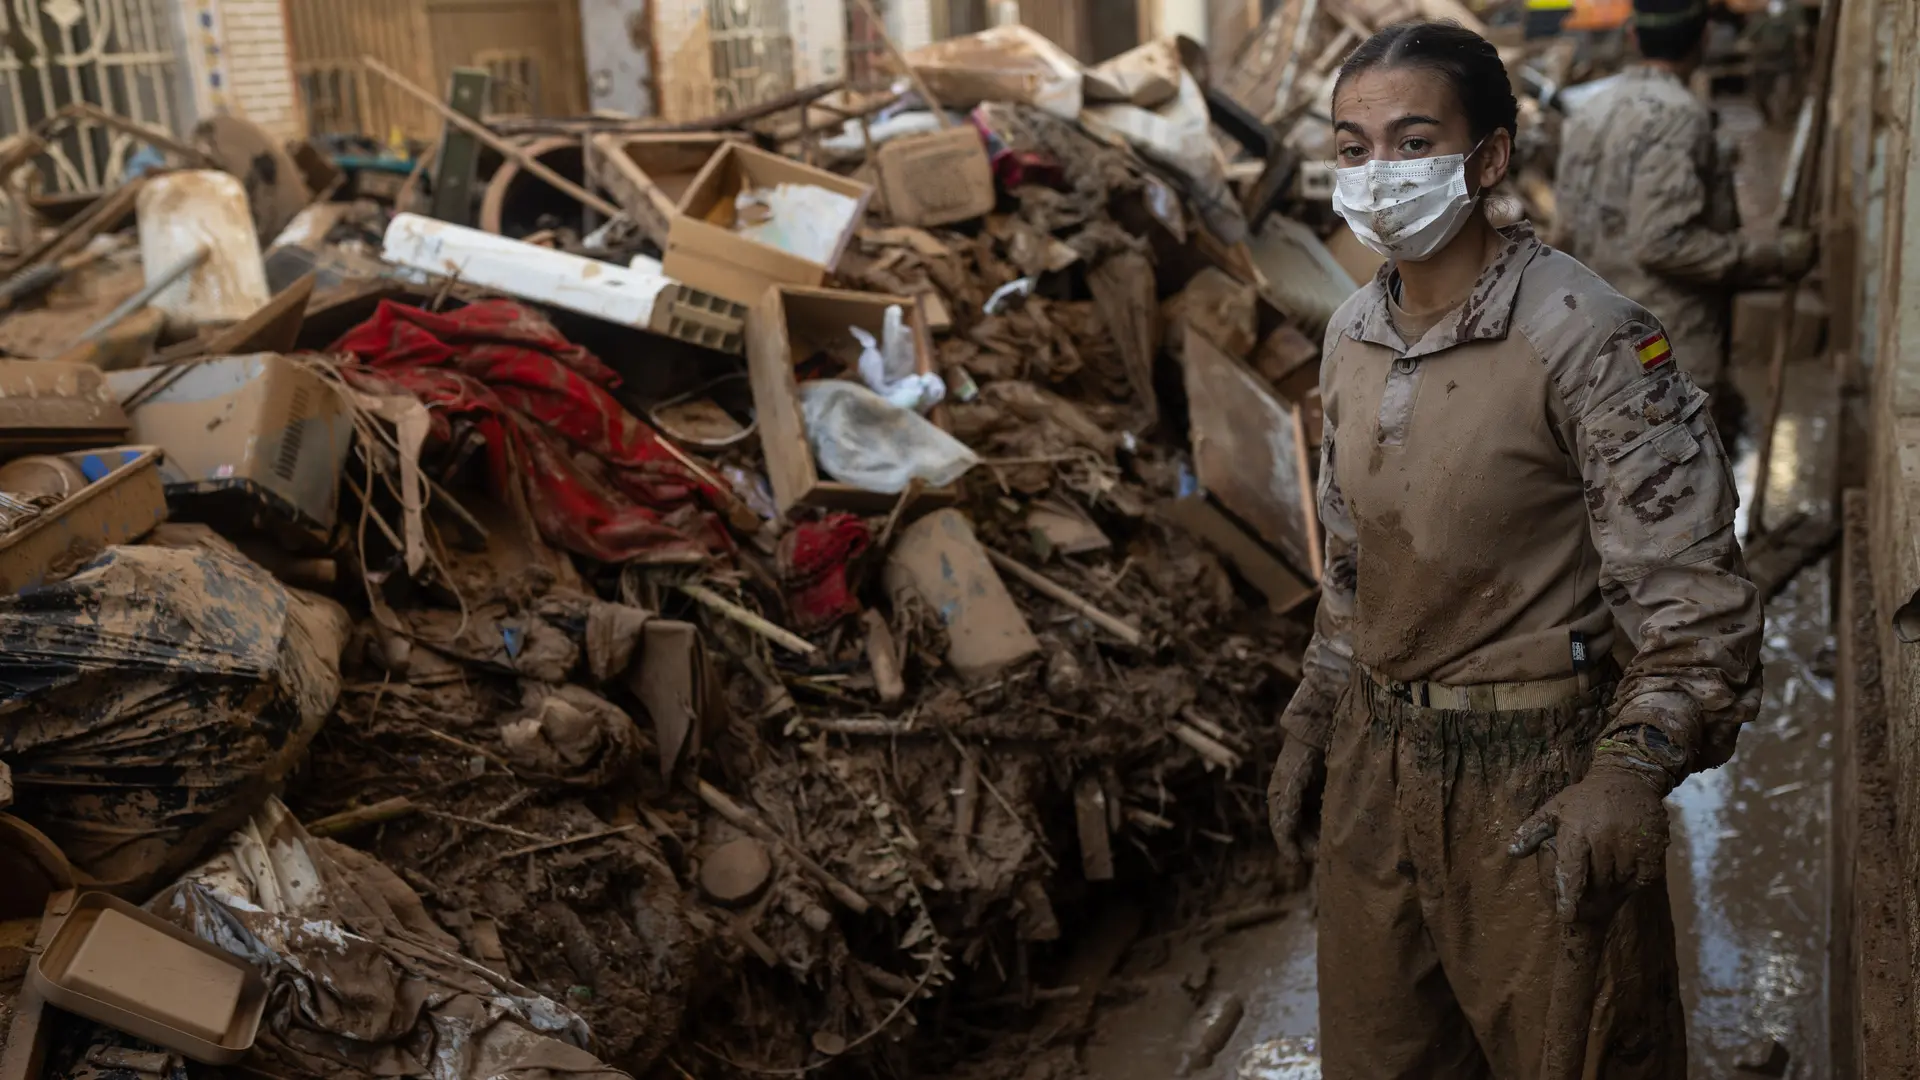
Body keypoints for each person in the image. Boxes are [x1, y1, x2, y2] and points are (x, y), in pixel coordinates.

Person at [1265, 19, 1763, 1078]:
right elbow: (1351, 564)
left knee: (1575, 1056)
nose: (1376, 176)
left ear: (1488, 156)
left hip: (1535, 779)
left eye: (1411, 142)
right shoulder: (1351, 333)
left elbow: (1696, 611)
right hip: (1377, 762)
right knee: (1384, 1055)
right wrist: (1318, 707)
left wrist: (1628, 771)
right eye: (1352, 150)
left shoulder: (1588, 333)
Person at [1554, 0, 1815, 404]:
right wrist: (1773, 255)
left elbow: (1566, 229)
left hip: (1594, 335)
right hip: (1665, 344)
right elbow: (1662, 243)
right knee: (1678, 458)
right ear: (1705, 37)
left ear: (1632, 36)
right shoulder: (1680, 116)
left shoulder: (1590, 108)